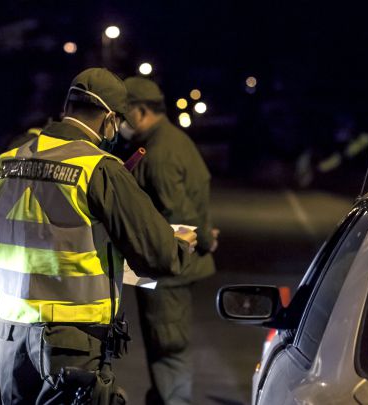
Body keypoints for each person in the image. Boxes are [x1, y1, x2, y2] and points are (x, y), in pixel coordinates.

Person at [0, 67, 197, 405]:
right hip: (71, 347)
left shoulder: (7, 162)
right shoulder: (99, 168)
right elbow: (160, 255)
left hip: (10, 341)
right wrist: (182, 246)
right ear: (110, 119)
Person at [122, 76, 218, 405]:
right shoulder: (169, 140)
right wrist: (205, 237)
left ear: (140, 111)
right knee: (163, 349)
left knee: (167, 349)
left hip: (165, 271)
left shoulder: (159, 153)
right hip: (161, 269)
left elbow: (180, 220)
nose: (119, 121)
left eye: (123, 113)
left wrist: (202, 239)